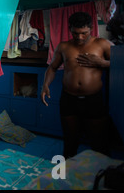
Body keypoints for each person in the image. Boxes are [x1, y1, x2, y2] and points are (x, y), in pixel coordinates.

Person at [41, 12, 113, 159]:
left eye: (84, 33)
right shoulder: (64, 46)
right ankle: (68, 177)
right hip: (69, 99)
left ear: (91, 28)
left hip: (93, 100)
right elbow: (52, 68)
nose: (79, 37)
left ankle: (101, 177)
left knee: (99, 143)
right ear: (70, 29)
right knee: (70, 142)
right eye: (75, 33)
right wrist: (45, 85)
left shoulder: (103, 44)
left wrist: (102, 63)